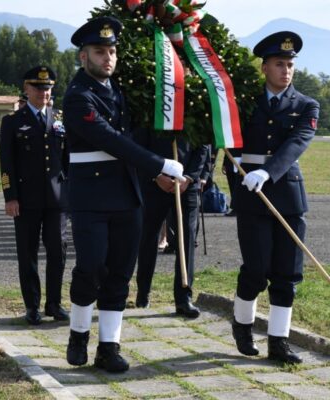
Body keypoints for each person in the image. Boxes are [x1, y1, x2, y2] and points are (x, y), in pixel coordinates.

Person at [63, 17, 185, 373]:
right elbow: (110, 140)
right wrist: (158, 164)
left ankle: (109, 346)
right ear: (83, 56)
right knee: (91, 268)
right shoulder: (77, 97)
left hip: (127, 195)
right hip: (91, 197)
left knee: (119, 273)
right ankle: (78, 333)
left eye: (112, 51)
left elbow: (135, 136)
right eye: (100, 51)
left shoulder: (118, 92)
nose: (108, 58)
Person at [230, 31, 319, 365]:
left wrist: (267, 172)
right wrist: (236, 169)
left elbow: (297, 142)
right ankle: (242, 325)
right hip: (252, 198)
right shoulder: (243, 101)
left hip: (288, 195)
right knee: (256, 270)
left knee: (287, 273)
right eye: (279, 64)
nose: (286, 70)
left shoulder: (306, 105)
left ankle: (279, 342)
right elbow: (230, 141)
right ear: (264, 67)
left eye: (290, 64)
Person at [0, 66, 69, 326]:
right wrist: (10, 197)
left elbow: (67, 159)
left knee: (57, 252)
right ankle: (32, 306)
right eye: (39, 88)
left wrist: (69, 193)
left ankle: (54, 303)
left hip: (57, 200)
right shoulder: (13, 122)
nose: (44, 92)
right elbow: (6, 163)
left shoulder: (60, 118)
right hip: (26, 200)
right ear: (26, 89)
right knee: (27, 253)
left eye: (48, 88)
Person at [134, 130, 208, 318]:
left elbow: (203, 146)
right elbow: (140, 146)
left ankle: (184, 298)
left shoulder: (194, 108)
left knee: (187, 239)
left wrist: (189, 178)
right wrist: (156, 175)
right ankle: (143, 292)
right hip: (155, 182)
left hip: (186, 185)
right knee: (149, 236)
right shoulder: (152, 107)